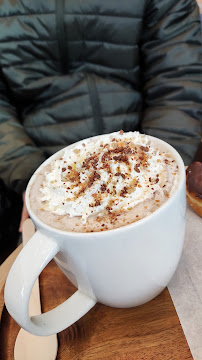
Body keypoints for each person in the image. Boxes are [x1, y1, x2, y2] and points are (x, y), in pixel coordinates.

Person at [0, 0, 201, 241]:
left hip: (144, 160)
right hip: (37, 177)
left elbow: (178, 82)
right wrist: (26, 172)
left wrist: (162, 173)